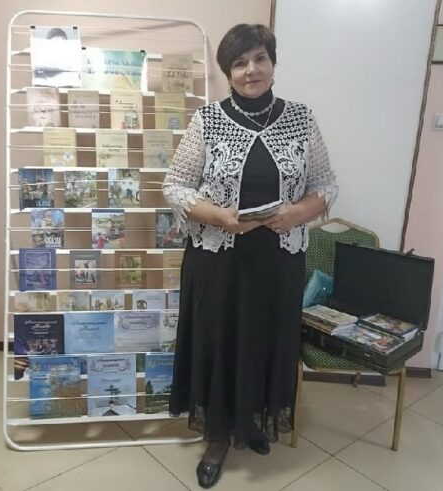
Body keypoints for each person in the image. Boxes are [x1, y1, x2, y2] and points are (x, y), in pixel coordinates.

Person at [162, 24, 337, 488]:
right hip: (218, 261)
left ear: (273, 63)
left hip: (277, 262)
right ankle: (218, 435)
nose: (251, 70)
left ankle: (252, 421)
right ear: (228, 73)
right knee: (220, 340)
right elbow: (175, 187)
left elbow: (326, 184)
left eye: (260, 58)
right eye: (239, 63)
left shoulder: (301, 119)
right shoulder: (208, 120)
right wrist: (220, 217)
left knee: (264, 339)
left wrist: (296, 212)